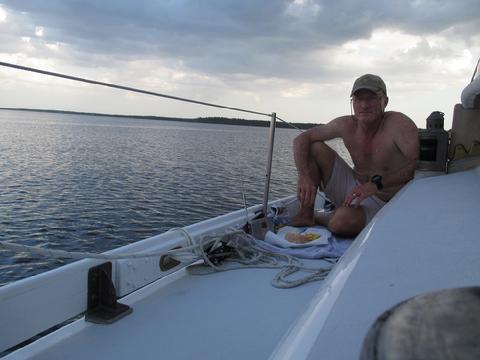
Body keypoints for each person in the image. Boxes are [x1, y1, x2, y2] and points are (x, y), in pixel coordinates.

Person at [292, 74, 419, 237]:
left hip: (385, 199)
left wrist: (377, 184)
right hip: (354, 188)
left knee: (341, 222)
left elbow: (419, 165)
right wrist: (304, 176)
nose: (364, 105)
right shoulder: (346, 124)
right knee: (314, 147)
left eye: (371, 98)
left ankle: (326, 217)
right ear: (352, 102)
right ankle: (306, 214)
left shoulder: (398, 124)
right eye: (358, 99)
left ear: (384, 101)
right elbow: (302, 138)